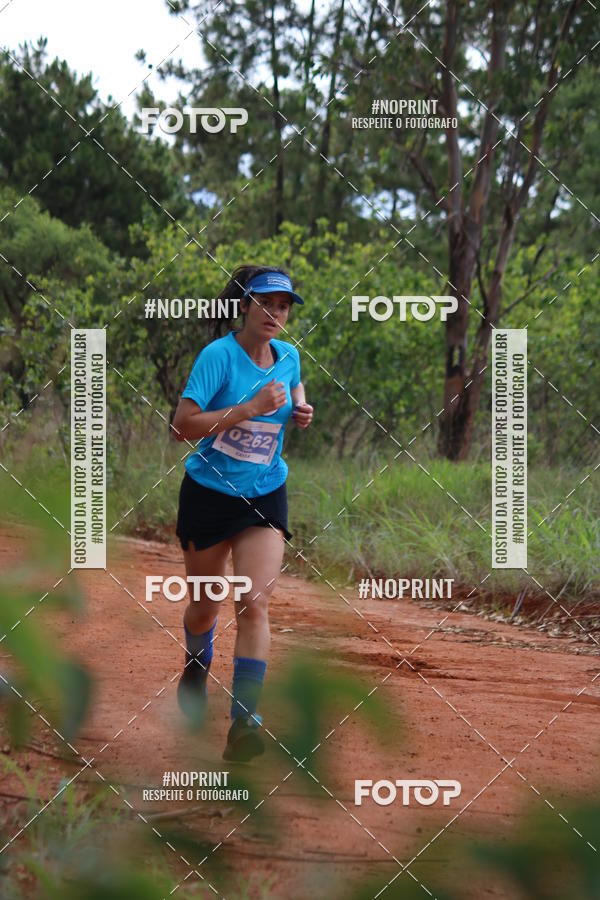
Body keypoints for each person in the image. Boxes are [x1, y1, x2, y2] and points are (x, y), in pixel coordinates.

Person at [172, 266, 313, 762]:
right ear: (244, 304)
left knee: (254, 603)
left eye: (285, 305)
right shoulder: (218, 357)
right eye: (267, 302)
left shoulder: (289, 356)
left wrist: (300, 408)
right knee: (206, 604)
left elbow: (294, 387)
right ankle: (196, 662)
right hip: (209, 494)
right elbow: (182, 426)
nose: (276, 312)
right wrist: (249, 407)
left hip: (264, 492)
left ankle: (244, 725)